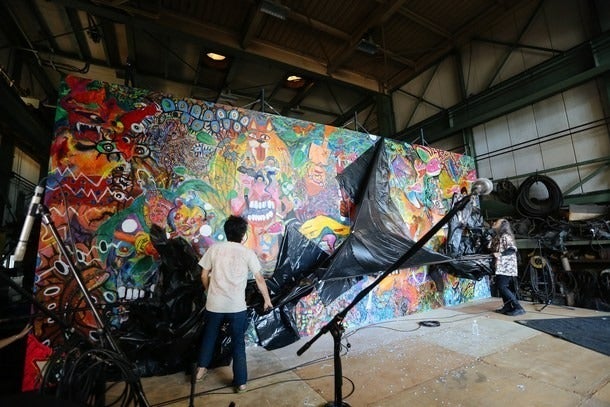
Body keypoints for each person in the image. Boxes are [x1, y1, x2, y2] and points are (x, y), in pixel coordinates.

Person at [195, 215, 273, 393]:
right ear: (243, 234)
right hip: (236, 307)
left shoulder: (214, 249)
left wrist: (208, 291)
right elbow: (260, 279)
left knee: (209, 336)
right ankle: (241, 382)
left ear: (226, 231)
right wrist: (267, 300)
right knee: (238, 343)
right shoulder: (247, 253)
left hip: (214, 304)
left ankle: (200, 372)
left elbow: (203, 275)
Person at [488, 218, 525, 316]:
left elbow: (512, 249)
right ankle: (507, 306)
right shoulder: (498, 237)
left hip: (506, 267)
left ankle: (518, 307)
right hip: (500, 267)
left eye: (497, 222)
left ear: (502, 225)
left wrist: (500, 254)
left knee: (502, 286)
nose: (494, 222)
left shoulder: (506, 236)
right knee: (500, 287)